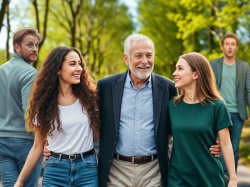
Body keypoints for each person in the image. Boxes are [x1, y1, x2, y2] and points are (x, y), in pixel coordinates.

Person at [97, 34, 221, 187]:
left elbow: (186, 119)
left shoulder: (168, 88)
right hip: (116, 170)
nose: (145, 61)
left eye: (149, 55)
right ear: (126, 59)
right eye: (138, 56)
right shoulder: (105, 86)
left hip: (153, 170)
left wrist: (214, 137)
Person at [14, 46, 100, 187]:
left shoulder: (90, 99)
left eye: (80, 63)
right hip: (56, 170)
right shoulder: (43, 104)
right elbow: (37, 146)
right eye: (72, 64)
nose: (79, 68)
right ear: (58, 69)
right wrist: (20, 181)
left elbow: (97, 135)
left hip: (87, 169)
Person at [168, 52, 237, 187]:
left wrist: (233, 178)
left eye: (180, 68)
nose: (174, 73)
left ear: (195, 74)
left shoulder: (217, 106)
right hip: (178, 179)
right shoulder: (172, 106)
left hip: (209, 178)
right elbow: (163, 139)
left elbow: (226, 144)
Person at [0, 28, 42, 187]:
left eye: (37, 45)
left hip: (2, 140)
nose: (35, 49)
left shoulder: (1, 70)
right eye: (30, 45)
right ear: (16, 47)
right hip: (25, 143)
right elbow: (30, 111)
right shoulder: (30, 73)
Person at [211, 33, 250, 175]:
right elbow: (209, 87)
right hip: (218, 112)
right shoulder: (214, 64)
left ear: (236, 47)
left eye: (233, 44)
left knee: (233, 148)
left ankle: (230, 178)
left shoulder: (244, 67)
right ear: (222, 46)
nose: (230, 47)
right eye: (227, 44)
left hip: (237, 114)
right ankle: (219, 176)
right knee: (218, 147)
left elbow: (249, 90)